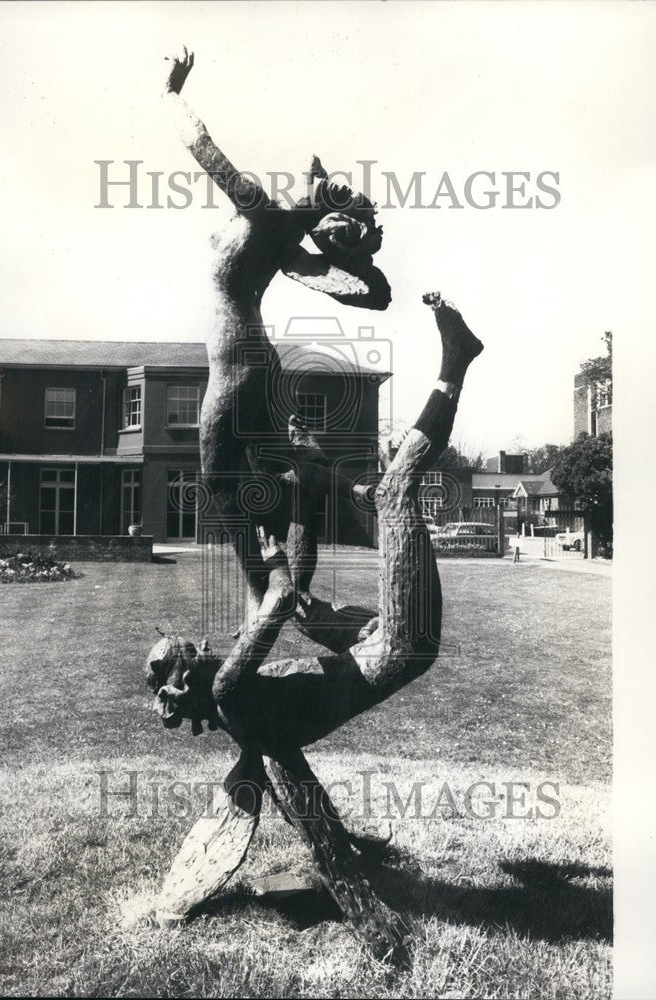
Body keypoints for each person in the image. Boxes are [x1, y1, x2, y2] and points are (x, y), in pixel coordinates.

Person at [146, 290, 483, 754]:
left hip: (389, 645)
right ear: (180, 686)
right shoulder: (226, 692)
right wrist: (274, 558)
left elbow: (283, 762)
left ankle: (456, 366)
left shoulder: (241, 722)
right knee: (398, 485)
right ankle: (456, 364)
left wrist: (321, 826)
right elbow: (280, 595)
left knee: (309, 606)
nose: (202, 644)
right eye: (191, 651)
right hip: (403, 642)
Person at [162, 47, 391, 652]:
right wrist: (359, 261)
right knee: (263, 477)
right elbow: (373, 296)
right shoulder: (290, 246)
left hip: (237, 366)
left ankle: (275, 584)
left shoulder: (263, 213)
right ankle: (283, 577)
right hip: (253, 360)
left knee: (219, 480)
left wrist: (172, 95)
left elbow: (204, 149)